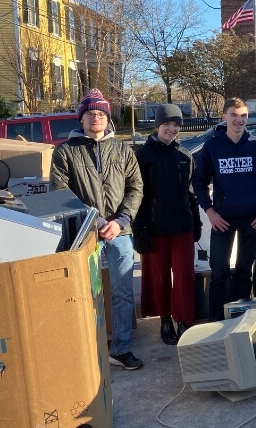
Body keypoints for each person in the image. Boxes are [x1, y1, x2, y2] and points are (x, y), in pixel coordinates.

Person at [51, 88, 144, 370]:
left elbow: (135, 187)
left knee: (123, 291)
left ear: (107, 118)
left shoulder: (123, 150)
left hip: (120, 232)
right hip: (83, 233)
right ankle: (84, 348)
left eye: (101, 114)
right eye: (91, 114)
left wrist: (121, 220)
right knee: (81, 292)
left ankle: (121, 349)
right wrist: (95, 220)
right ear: (81, 119)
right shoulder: (65, 151)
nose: (96, 118)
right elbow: (59, 191)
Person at [191, 97, 256, 321]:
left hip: (252, 220)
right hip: (222, 220)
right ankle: (215, 322)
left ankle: (240, 320)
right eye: (234, 115)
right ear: (224, 117)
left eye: (244, 115)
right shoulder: (212, 146)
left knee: (244, 272)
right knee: (218, 274)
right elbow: (199, 181)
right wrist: (209, 210)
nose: (239, 120)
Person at [132, 104, 202, 345]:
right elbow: (137, 193)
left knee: (184, 276)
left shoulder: (185, 154)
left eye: (176, 125)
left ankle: (184, 320)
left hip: (182, 226)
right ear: (158, 125)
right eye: (167, 124)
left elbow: (191, 192)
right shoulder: (144, 154)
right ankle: (165, 319)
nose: (172, 129)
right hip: (155, 227)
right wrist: (138, 227)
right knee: (159, 276)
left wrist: (197, 221)